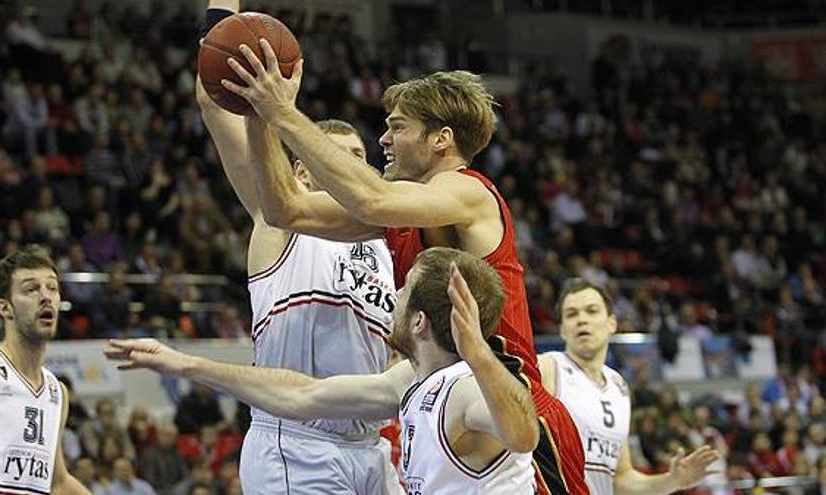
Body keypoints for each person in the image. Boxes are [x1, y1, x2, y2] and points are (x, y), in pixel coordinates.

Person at [219, 42, 588, 493]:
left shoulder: (467, 191)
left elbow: (372, 198)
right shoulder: (402, 213)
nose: (384, 141)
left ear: (441, 138)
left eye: (398, 127)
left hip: (505, 410)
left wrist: (284, 113)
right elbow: (285, 210)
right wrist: (259, 114)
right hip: (437, 406)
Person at [106, 247, 539, 494]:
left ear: (420, 321)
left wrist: (480, 354)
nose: (394, 298)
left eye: (403, 291)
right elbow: (303, 395)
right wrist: (185, 363)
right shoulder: (412, 381)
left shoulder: (463, 387)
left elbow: (523, 433)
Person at [196, 1, 400, 493]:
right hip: (297, 443)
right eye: (337, 155)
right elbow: (211, 99)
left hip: (371, 447)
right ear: (302, 170)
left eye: (359, 158)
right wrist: (225, 13)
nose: (352, 167)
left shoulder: (385, 239)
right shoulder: (280, 217)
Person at [539, 278, 721, 495]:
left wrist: (673, 481)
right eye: (571, 314)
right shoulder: (548, 367)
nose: (581, 320)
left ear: (611, 323)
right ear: (561, 330)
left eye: (591, 311)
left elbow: (622, 479)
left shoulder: (619, 387)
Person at [0, 245, 89, 494]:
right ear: (5, 307)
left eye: (52, 288)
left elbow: (58, 482)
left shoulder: (57, 393)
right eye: (31, 289)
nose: (46, 297)